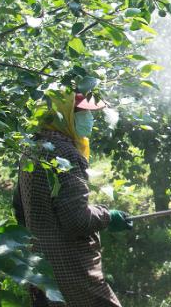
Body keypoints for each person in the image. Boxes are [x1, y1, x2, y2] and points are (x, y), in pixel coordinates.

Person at [13, 91, 133, 306]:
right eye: (83, 113)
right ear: (64, 115)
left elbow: (19, 208)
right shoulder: (65, 154)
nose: (90, 119)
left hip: (41, 271)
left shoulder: (31, 148)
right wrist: (108, 216)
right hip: (72, 273)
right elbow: (77, 220)